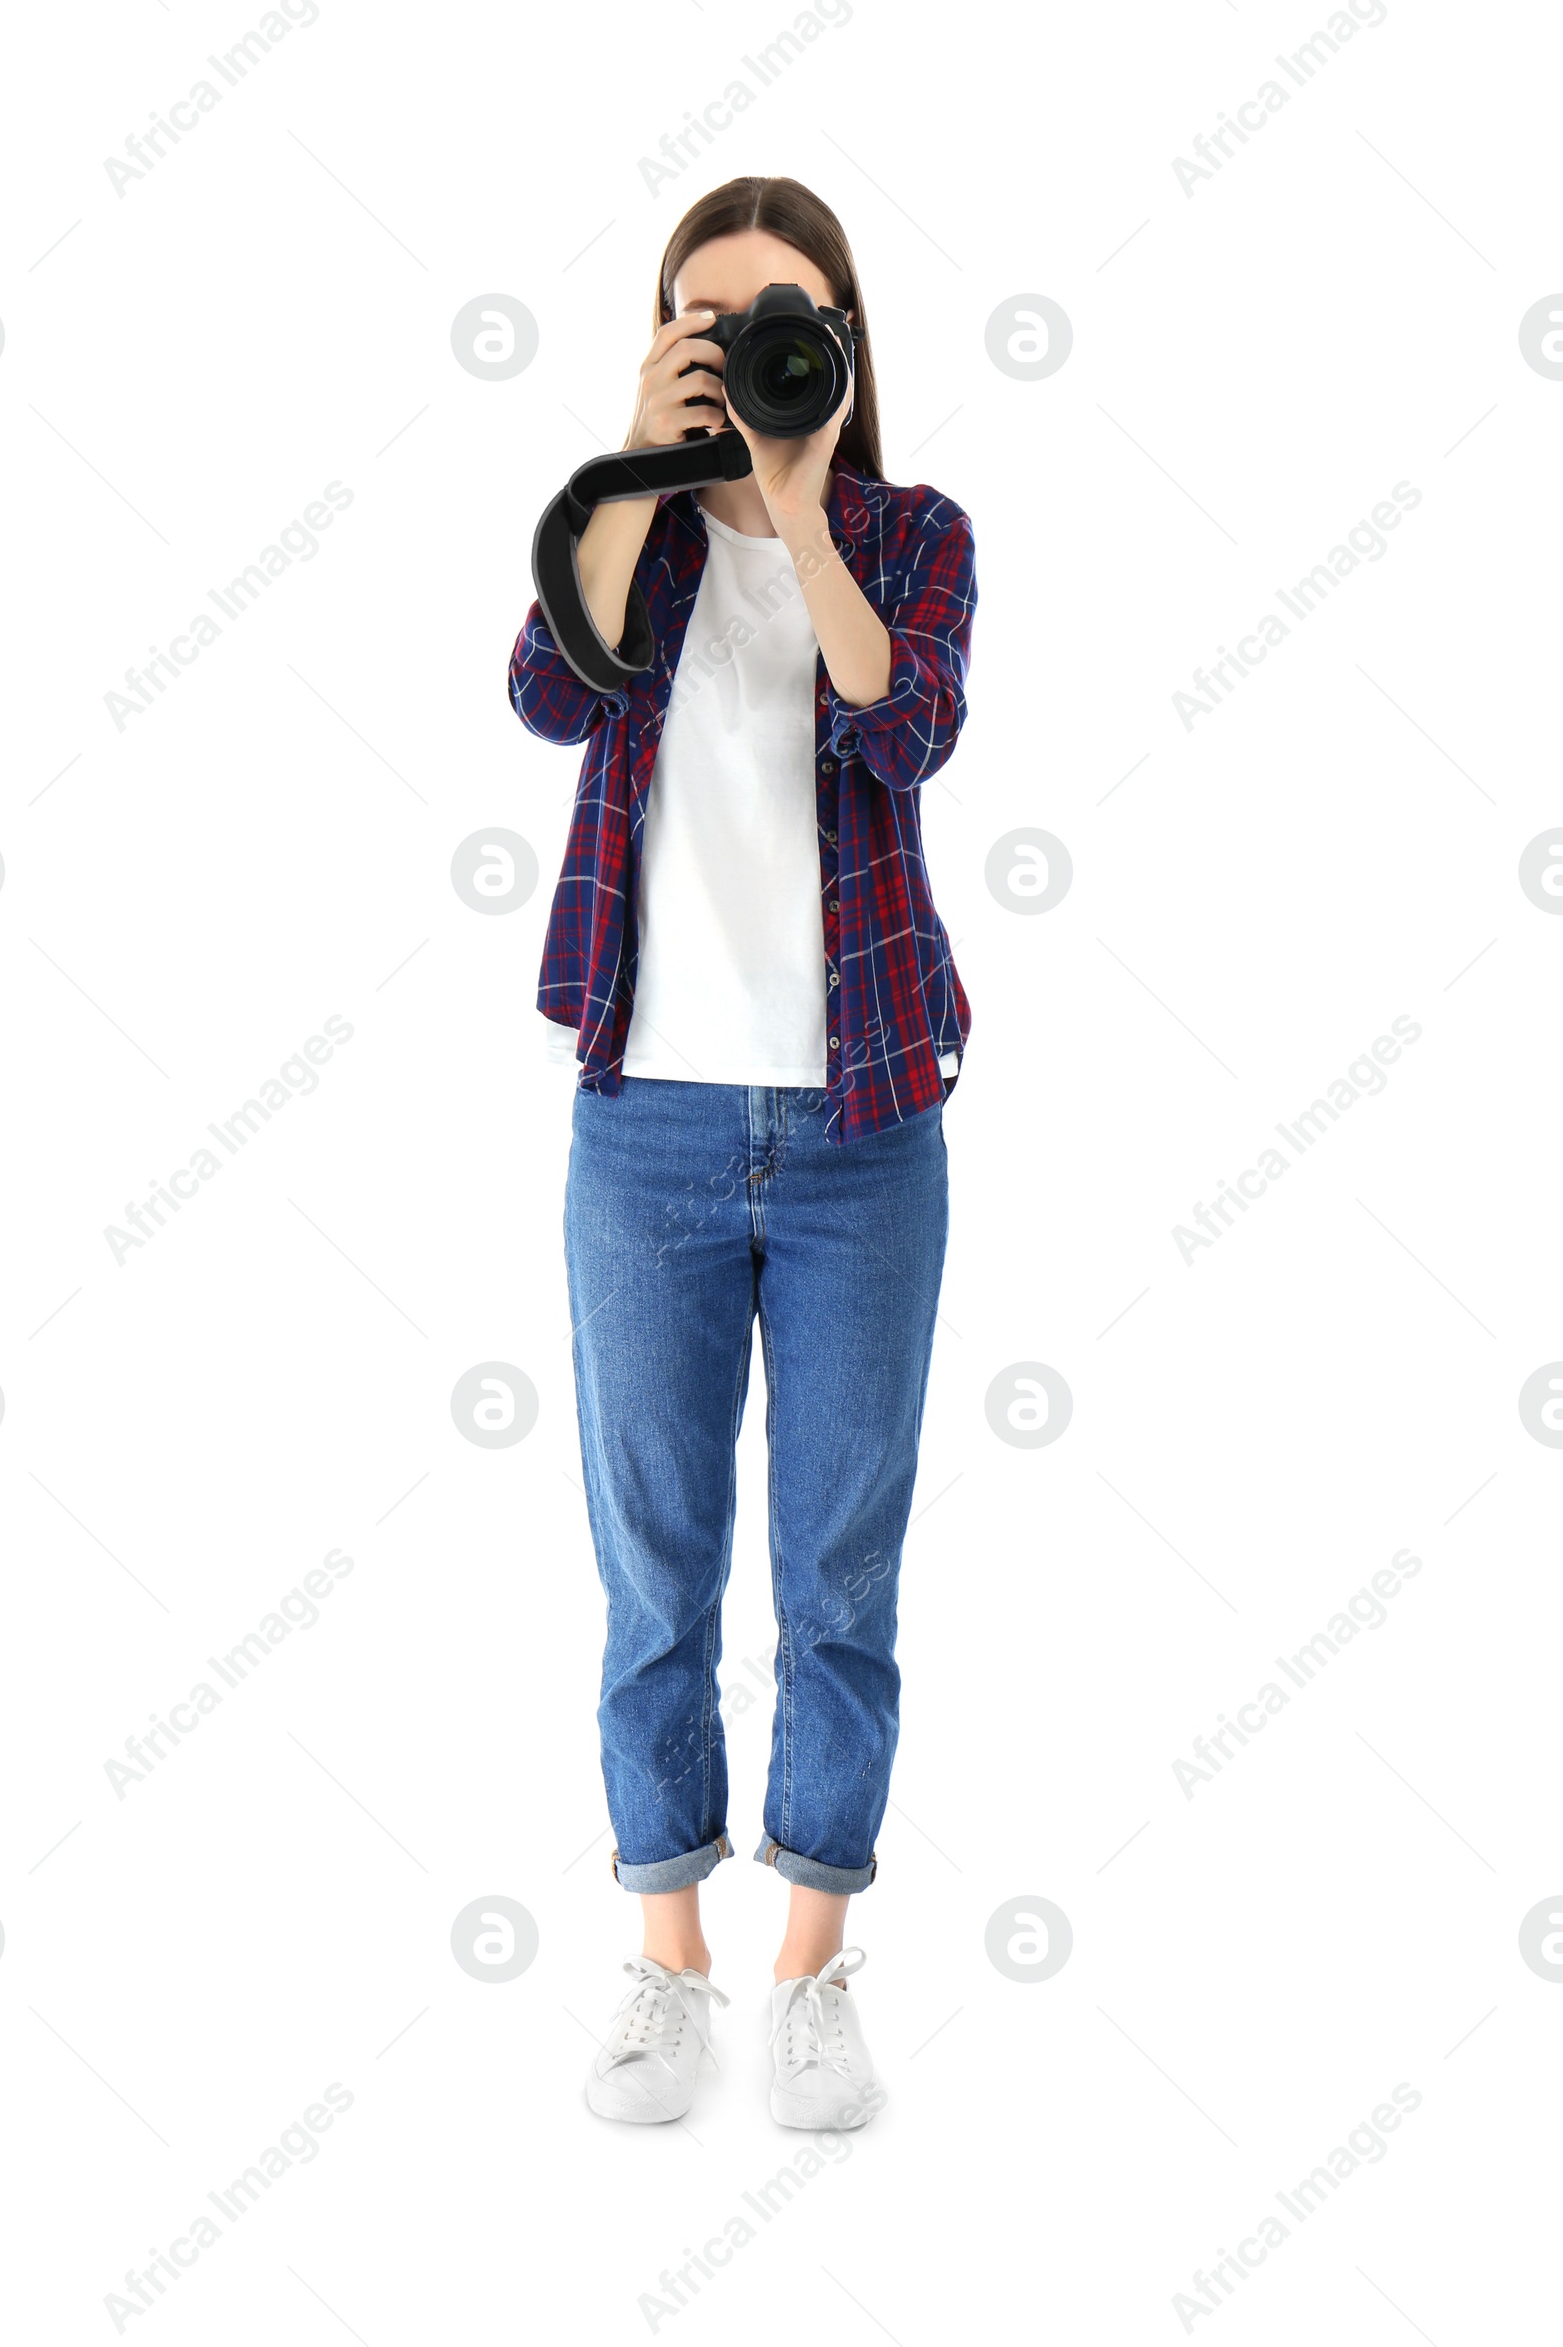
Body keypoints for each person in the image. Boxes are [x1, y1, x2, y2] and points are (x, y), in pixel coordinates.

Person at [506, 174, 977, 2130]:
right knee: (653, 1566)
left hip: (865, 1122)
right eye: (707, 316)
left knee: (838, 1567)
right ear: (661, 332)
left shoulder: (906, 531)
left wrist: (795, 495)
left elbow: (907, 719)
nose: (748, 343)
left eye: (780, 315)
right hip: (650, 1129)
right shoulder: (624, 539)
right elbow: (546, 690)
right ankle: (661, 1956)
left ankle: (810, 1961)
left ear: (841, 333)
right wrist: (636, 461)